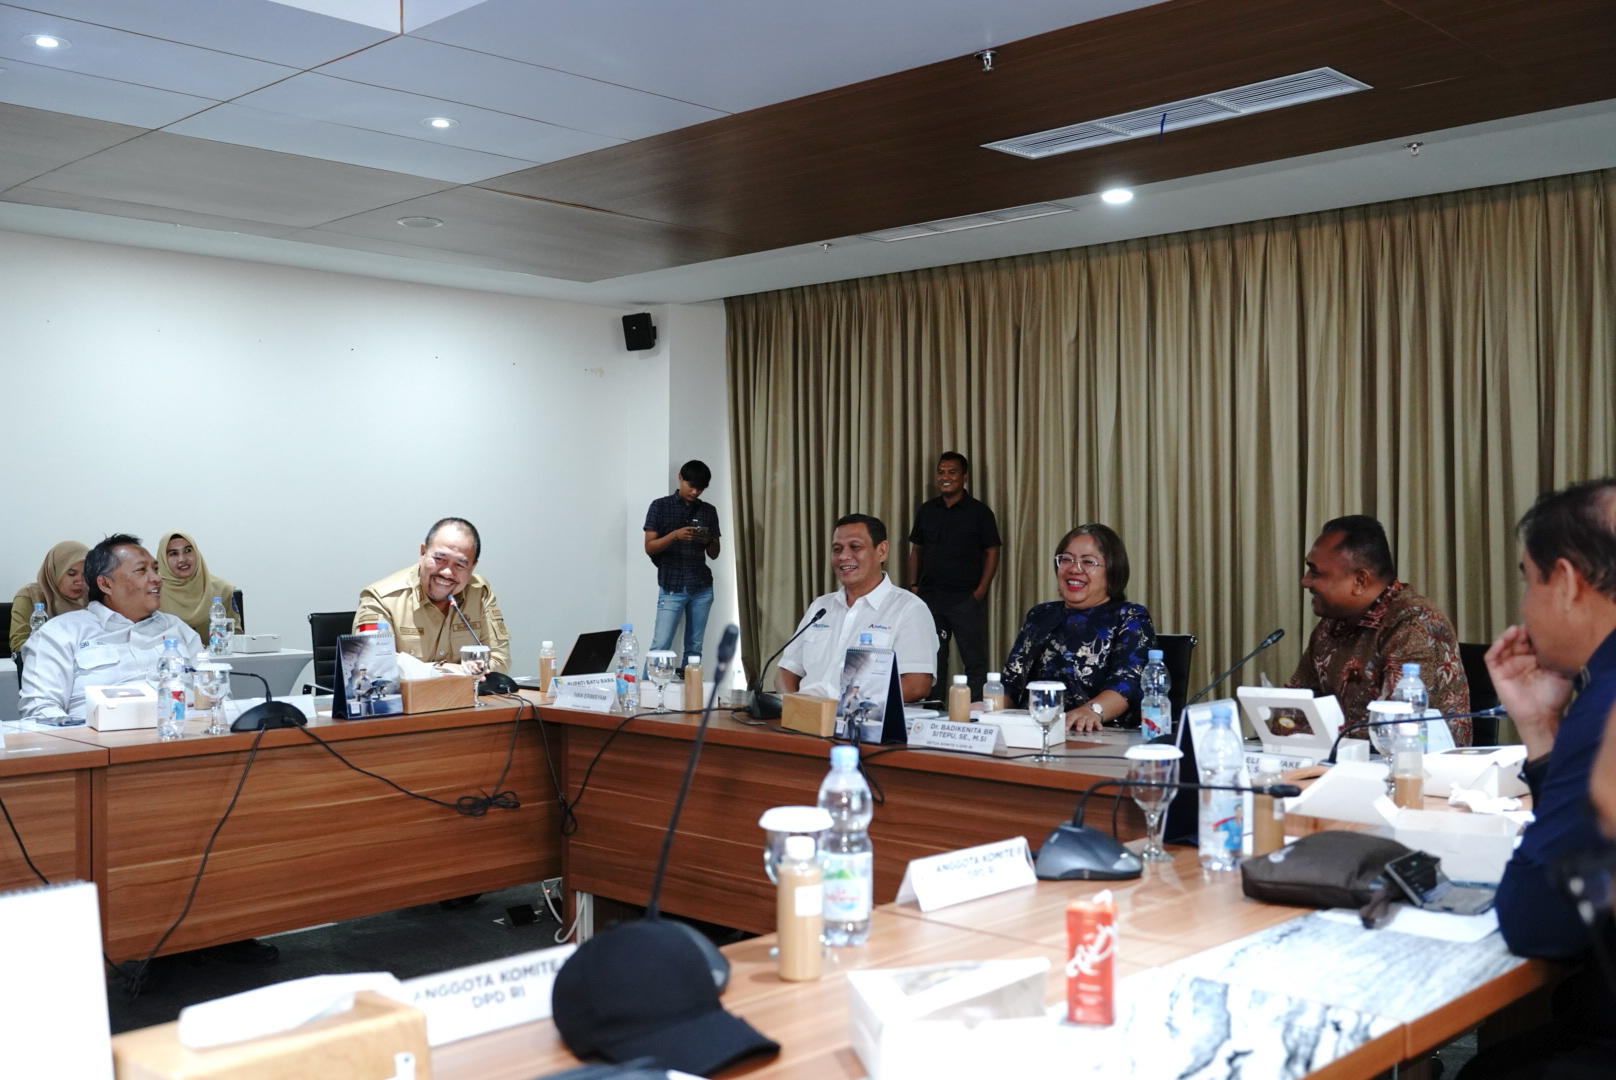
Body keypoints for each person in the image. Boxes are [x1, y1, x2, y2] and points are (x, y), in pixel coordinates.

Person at [1457, 479, 1616, 1079]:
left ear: (1568, 582)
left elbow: (1539, 924)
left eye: (1529, 580)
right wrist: (1543, 731)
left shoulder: (1607, 709)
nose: (1524, 607)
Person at [1287, 514, 1470, 743]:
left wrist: (1307, 732)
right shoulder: (1331, 624)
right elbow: (1297, 703)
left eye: (1315, 572)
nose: (1305, 582)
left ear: (1360, 581)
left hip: (1417, 761)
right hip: (1340, 758)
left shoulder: (1415, 624)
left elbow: (1395, 728)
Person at [20, 535, 202, 725]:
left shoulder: (178, 629)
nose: (157, 578)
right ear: (105, 584)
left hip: (184, 733)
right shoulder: (60, 633)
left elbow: (213, 691)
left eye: (155, 569)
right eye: (141, 570)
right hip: (98, 738)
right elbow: (41, 710)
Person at [1003, 524, 1156, 733]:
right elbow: (1011, 683)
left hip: (1099, 735)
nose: (1074, 569)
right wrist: (984, 709)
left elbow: (1127, 684)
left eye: (1088, 562)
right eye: (1066, 559)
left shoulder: (1130, 616)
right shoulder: (1040, 614)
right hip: (1032, 732)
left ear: (1113, 572)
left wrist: (1092, 711)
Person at [779, 514, 937, 703]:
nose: (843, 556)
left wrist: (847, 708)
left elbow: (917, 685)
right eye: (837, 549)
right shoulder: (820, 607)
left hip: (864, 718)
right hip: (807, 716)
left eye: (855, 547)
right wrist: (793, 706)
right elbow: (786, 671)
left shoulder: (909, 609)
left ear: (882, 551)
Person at [356, 517, 510, 673]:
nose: (447, 572)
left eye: (459, 565)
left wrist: (461, 672)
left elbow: (500, 660)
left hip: (466, 690)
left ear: (472, 567)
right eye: (439, 559)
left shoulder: (480, 593)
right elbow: (372, 665)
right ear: (423, 553)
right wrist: (443, 670)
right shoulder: (381, 598)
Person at [906, 452, 1002, 699]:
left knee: (974, 660)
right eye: (941, 472)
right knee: (934, 660)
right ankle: (933, 711)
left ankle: (976, 712)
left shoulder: (980, 512)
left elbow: (992, 552)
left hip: (964, 599)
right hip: (930, 598)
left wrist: (980, 592)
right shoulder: (927, 510)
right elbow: (917, 550)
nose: (945, 477)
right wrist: (914, 586)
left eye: (952, 472)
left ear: (964, 477)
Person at [643, 460, 722, 669]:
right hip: (671, 586)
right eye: (691, 486)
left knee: (695, 647)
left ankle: (690, 688)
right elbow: (649, 547)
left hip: (702, 586)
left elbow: (715, 554)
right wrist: (675, 535)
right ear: (680, 478)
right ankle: (648, 687)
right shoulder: (660, 506)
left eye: (700, 488)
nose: (695, 492)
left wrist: (708, 540)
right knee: (660, 645)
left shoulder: (708, 511)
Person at [157, 531, 244, 639]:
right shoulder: (153, 593)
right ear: (163, 559)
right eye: (173, 554)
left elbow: (236, 636)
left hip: (216, 650)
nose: (182, 559)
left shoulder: (222, 590)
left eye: (187, 551)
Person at [9, 540, 88, 654]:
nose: (79, 581)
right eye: (71, 574)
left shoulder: (91, 597)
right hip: (44, 661)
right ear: (54, 571)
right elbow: (19, 644)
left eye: (85, 575)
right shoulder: (29, 596)